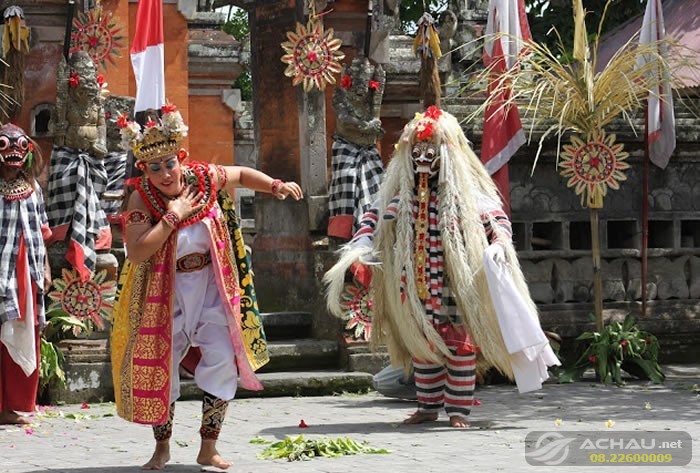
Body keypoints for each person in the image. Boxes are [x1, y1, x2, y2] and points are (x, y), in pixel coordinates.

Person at [325, 106, 558, 428]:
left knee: (459, 347)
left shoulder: (466, 194)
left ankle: (458, 411)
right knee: (423, 345)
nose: (423, 157)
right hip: (414, 282)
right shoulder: (400, 195)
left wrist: (501, 244)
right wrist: (362, 245)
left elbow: (495, 219)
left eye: (430, 151)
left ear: (445, 155)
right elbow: (372, 218)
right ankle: (427, 406)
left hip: (455, 281)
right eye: (417, 151)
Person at [110, 104, 302, 470]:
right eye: (155, 168)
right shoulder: (141, 199)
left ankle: (208, 446)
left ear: (180, 158)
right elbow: (136, 251)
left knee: (221, 359)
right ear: (143, 170)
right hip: (163, 292)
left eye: (169, 163)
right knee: (160, 364)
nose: (165, 174)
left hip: (213, 286)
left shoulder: (203, 178)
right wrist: (173, 215)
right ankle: (162, 448)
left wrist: (274, 185)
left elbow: (242, 173)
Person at [0, 123, 52, 424]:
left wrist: (44, 268)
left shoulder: (33, 191)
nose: (14, 154)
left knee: (24, 334)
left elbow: (41, 233)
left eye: (20, 147)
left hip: (26, 273)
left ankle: (13, 405)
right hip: (2, 273)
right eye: (6, 147)